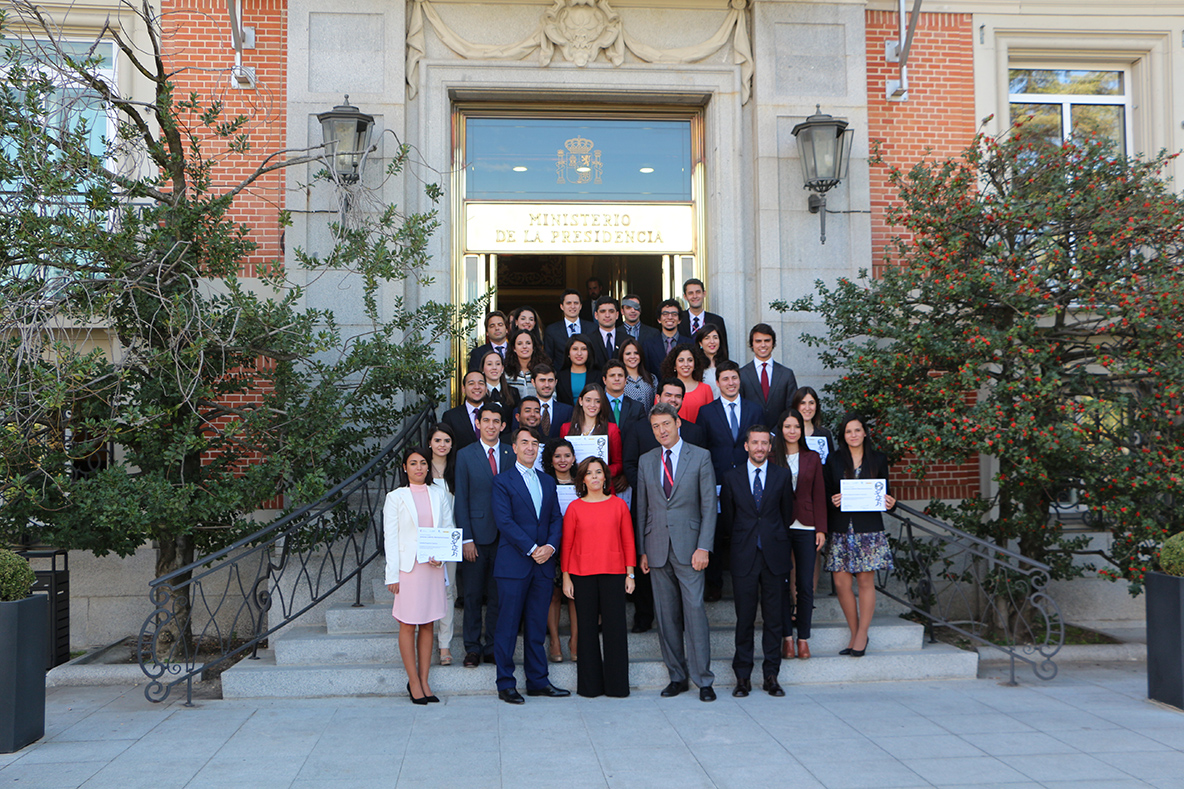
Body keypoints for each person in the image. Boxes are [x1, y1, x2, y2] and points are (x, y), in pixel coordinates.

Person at [635, 402, 718, 702]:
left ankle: (703, 679)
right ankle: (677, 676)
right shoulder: (646, 460)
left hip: (690, 549)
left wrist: (703, 547)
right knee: (666, 616)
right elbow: (642, 508)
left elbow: (709, 507)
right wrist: (642, 550)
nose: (661, 431)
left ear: (677, 422)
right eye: (655, 426)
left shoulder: (700, 456)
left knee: (694, 613)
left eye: (665, 424)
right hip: (657, 549)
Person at [490, 427, 570, 703]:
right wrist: (533, 548)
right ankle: (506, 683)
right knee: (508, 627)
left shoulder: (547, 482)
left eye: (535, 443)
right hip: (514, 565)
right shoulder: (502, 481)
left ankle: (538, 681)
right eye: (524, 442)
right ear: (514, 447)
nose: (530, 447)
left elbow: (556, 519)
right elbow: (505, 522)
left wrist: (550, 547)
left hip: (543, 565)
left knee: (537, 626)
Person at [620, 379, 706, 635]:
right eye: (669, 394)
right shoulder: (640, 429)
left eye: (678, 396)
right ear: (658, 396)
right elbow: (630, 464)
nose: (673, 399)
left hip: (685, 524)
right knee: (651, 572)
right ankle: (644, 616)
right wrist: (650, 489)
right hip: (651, 512)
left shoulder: (695, 432)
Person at [719, 426, 794, 698]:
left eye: (765, 443)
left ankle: (771, 675)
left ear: (770, 447)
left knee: (774, 619)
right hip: (744, 555)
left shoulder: (782, 476)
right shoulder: (731, 477)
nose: (760, 447)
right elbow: (728, 519)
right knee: (745, 619)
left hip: (774, 555)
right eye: (755, 443)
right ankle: (742, 677)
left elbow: (787, 514)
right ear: (746, 446)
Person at [562, 457, 636, 698]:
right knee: (586, 629)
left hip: (614, 573)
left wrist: (630, 573)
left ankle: (617, 686)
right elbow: (567, 544)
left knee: (615, 629)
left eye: (598, 472)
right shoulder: (575, 507)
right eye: (589, 473)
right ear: (582, 479)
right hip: (582, 574)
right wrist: (566, 576)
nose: (594, 477)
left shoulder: (618, 505)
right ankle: (589, 686)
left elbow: (628, 540)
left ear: (605, 477)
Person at [384, 446, 454, 704]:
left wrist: (442, 555)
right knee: (408, 623)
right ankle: (413, 681)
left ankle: (425, 681)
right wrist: (392, 575)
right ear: (405, 468)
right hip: (408, 569)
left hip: (433, 568)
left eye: (423, 463)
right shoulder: (395, 497)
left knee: (428, 623)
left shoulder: (439, 494)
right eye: (413, 463)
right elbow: (390, 537)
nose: (419, 468)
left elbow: (447, 529)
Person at [825, 413, 896, 658]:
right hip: (841, 528)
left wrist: (891, 503)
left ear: (865, 432)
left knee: (866, 582)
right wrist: (832, 500)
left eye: (857, 430)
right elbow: (825, 494)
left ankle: (862, 635)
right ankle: (855, 633)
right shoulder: (833, 460)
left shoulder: (878, 459)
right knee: (841, 583)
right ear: (843, 436)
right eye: (848, 431)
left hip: (868, 529)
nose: (853, 435)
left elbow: (886, 493)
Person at [695, 359, 763, 602]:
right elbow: (703, 448)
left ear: (739, 380)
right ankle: (714, 584)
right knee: (714, 532)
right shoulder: (706, 412)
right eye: (725, 379)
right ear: (717, 383)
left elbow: (761, 446)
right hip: (716, 481)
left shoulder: (755, 410)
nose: (730, 382)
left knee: (744, 532)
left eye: (734, 378)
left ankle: (747, 583)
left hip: (748, 482)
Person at [454, 403, 515, 667]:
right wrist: (466, 538)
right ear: (478, 424)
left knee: (497, 595)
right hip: (476, 539)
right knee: (472, 595)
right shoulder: (465, 455)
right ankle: (472, 647)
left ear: (503, 426)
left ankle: (491, 645)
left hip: (506, 539)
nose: (491, 425)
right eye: (486, 420)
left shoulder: (511, 453)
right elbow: (461, 499)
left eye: (496, 421)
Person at [770, 409, 828, 661]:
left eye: (796, 427)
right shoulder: (772, 457)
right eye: (787, 426)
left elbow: (819, 495)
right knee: (782, 584)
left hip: (806, 526)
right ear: (780, 430)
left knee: (804, 585)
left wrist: (822, 529)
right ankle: (787, 639)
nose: (792, 431)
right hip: (780, 527)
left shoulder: (812, 457)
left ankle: (803, 638)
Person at [542, 438, 579, 663]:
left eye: (567, 456)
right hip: (552, 544)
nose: (562, 460)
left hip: (578, 544)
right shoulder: (545, 482)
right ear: (551, 459)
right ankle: (554, 640)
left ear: (574, 458)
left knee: (576, 595)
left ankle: (575, 640)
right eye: (557, 456)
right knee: (553, 594)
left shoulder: (581, 483)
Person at [427, 424, 460, 666]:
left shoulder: (458, 469)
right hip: (426, 539)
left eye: (447, 440)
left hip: (450, 539)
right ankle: (424, 641)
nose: (442, 445)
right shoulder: (421, 468)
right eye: (438, 440)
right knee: (425, 592)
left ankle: (444, 646)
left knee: (448, 591)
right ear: (430, 443)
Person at [739, 323, 799, 430]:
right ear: (752, 344)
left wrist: (775, 433)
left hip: (780, 436)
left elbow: (792, 408)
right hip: (751, 436)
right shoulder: (741, 374)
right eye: (758, 341)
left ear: (773, 343)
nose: (763, 345)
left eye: (767, 340)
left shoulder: (786, 374)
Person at [559, 383, 624, 479]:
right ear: (581, 401)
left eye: (597, 401)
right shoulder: (566, 428)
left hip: (601, 485)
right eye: (588, 400)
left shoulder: (612, 429)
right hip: (574, 483)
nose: (592, 405)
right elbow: (561, 459)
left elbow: (618, 464)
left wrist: (600, 472)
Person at [659, 343, 714, 424]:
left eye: (690, 360)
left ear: (695, 364)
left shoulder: (705, 389)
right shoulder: (665, 388)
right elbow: (658, 417)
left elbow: (711, 418)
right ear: (674, 365)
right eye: (681, 360)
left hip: (699, 435)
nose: (686, 364)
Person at [679, 278, 729, 359]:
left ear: (704, 294)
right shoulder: (679, 320)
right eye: (691, 293)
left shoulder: (717, 321)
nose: (695, 296)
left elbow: (723, 350)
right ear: (685, 296)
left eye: (698, 292)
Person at [544, 289, 596, 364]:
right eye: (568, 303)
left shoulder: (592, 328)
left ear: (581, 306)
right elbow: (548, 358)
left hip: (587, 373)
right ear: (562, 306)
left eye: (576, 303)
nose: (572, 306)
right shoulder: (552, 330)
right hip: (560, 374)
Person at [439, 371, 487, 450]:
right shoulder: (451, 416)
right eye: (471, 383)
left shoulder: (495, 413)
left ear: (486, 388)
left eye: (481, 383)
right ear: (463, 388)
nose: (477, 387)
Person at [643, 299, 691, 374]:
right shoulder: (648, 345)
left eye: (674, 314)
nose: (670, 317)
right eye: (665, 314)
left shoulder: (690, 344)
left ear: (679, 320)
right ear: (659, 319)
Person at [602, 360, 647, 436]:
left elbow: (643, 434)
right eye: (612, 375)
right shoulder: (597, 406)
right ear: (604, 380)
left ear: (626, 380)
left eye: (620, 375)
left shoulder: (637, 407)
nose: (617, 378)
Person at [792, 386, 835, 464]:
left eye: (811, 403)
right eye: (803, 403)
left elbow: (830, 466)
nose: (807, 408)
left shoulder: (824, 434)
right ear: (796, 406)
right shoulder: (789, 434)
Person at [504, 329, 549, 399]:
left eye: (528, 343)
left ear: (533, 347)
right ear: (514, 348)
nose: (524, 346)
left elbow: (552, 397)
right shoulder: (506, 373)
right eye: (519, 344)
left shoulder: (543, 371)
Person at [531, 364, 573, 438]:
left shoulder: (567, 411)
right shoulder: (522, 410)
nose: (547, 385)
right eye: (542, 380)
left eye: (550, 380)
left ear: (556, 382)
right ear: (533, 382)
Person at [555, 335, 597, 407]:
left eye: (584, 349)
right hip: (567, 417)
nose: (579, 353)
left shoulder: (598, 375)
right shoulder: (560, 376)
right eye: (575, 349)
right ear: (568, 353)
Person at [590, 296, 630, 369]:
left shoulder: (628, 340)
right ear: (596, 315)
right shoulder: (588, 340)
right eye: (603, 311)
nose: (607, 315)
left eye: (611, 311)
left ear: (617, 315)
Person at [480, 348, 518, 424]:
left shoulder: (513, 392)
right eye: (489, 364)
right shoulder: (477, 393)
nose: (494, 368)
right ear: (483, 369)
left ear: (502, 368)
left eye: (498, 364)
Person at [618, 338, 658, 408]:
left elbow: (657, 404)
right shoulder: (617, 380)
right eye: (628, 354)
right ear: (622, 356)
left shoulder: (652, 378)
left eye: (636, 353)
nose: (632, 356)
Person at [695, 323, 728, 398]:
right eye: (707, 338)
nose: (712, 341)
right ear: (700, 343)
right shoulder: (695, 366)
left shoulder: (726, 365)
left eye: (715, 338)